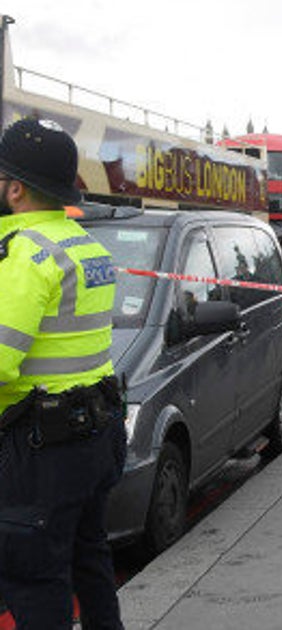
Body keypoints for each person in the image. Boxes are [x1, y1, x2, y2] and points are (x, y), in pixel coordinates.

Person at [0, 118, 127, 629]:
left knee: (35, 580)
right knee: (89, 561)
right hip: (94, 432)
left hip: (40, 448)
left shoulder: (26, 254)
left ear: (14, 188)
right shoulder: (84, 245)